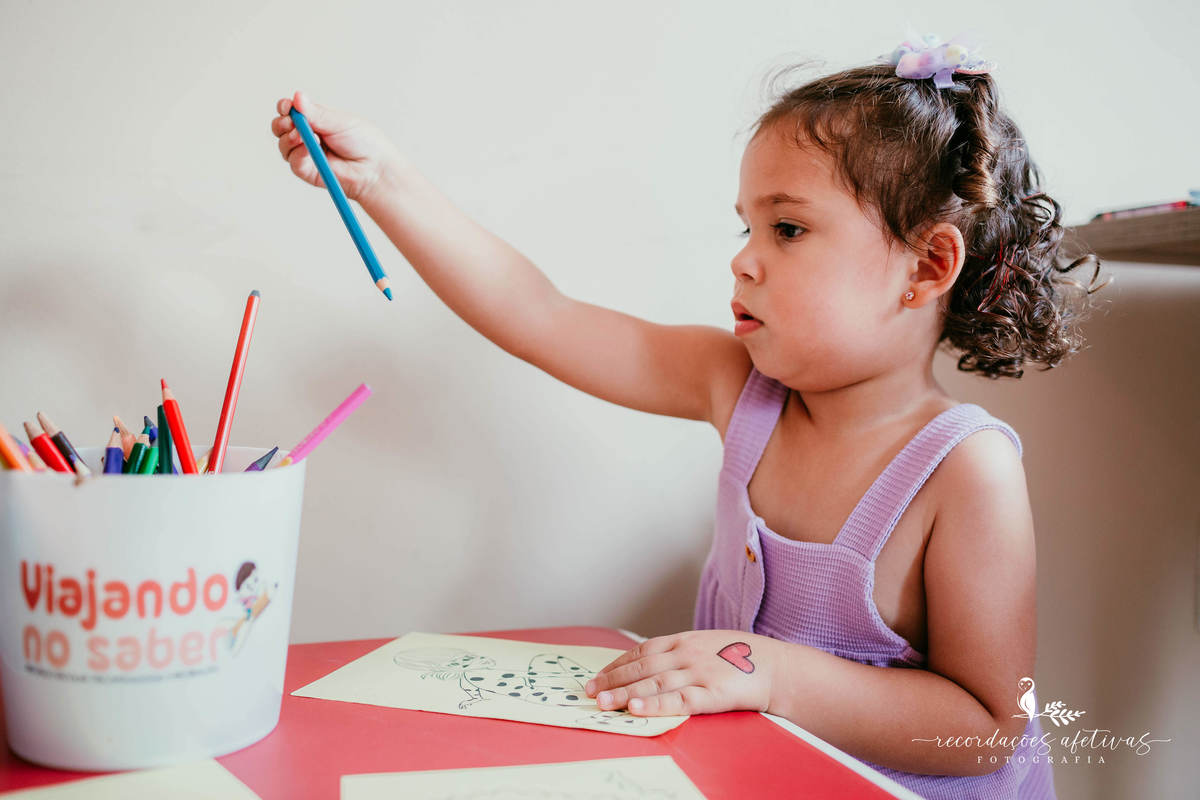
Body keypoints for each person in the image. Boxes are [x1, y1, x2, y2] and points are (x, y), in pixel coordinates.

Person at [271, 34, 1106, 798]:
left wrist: (772, 675)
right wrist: (383, 181)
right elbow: (542, 316)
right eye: (746, 227)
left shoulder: (966, 469)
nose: (743, 259)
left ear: (926, 266)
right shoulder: (735, 384)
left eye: (787, 228)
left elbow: (988, 728)